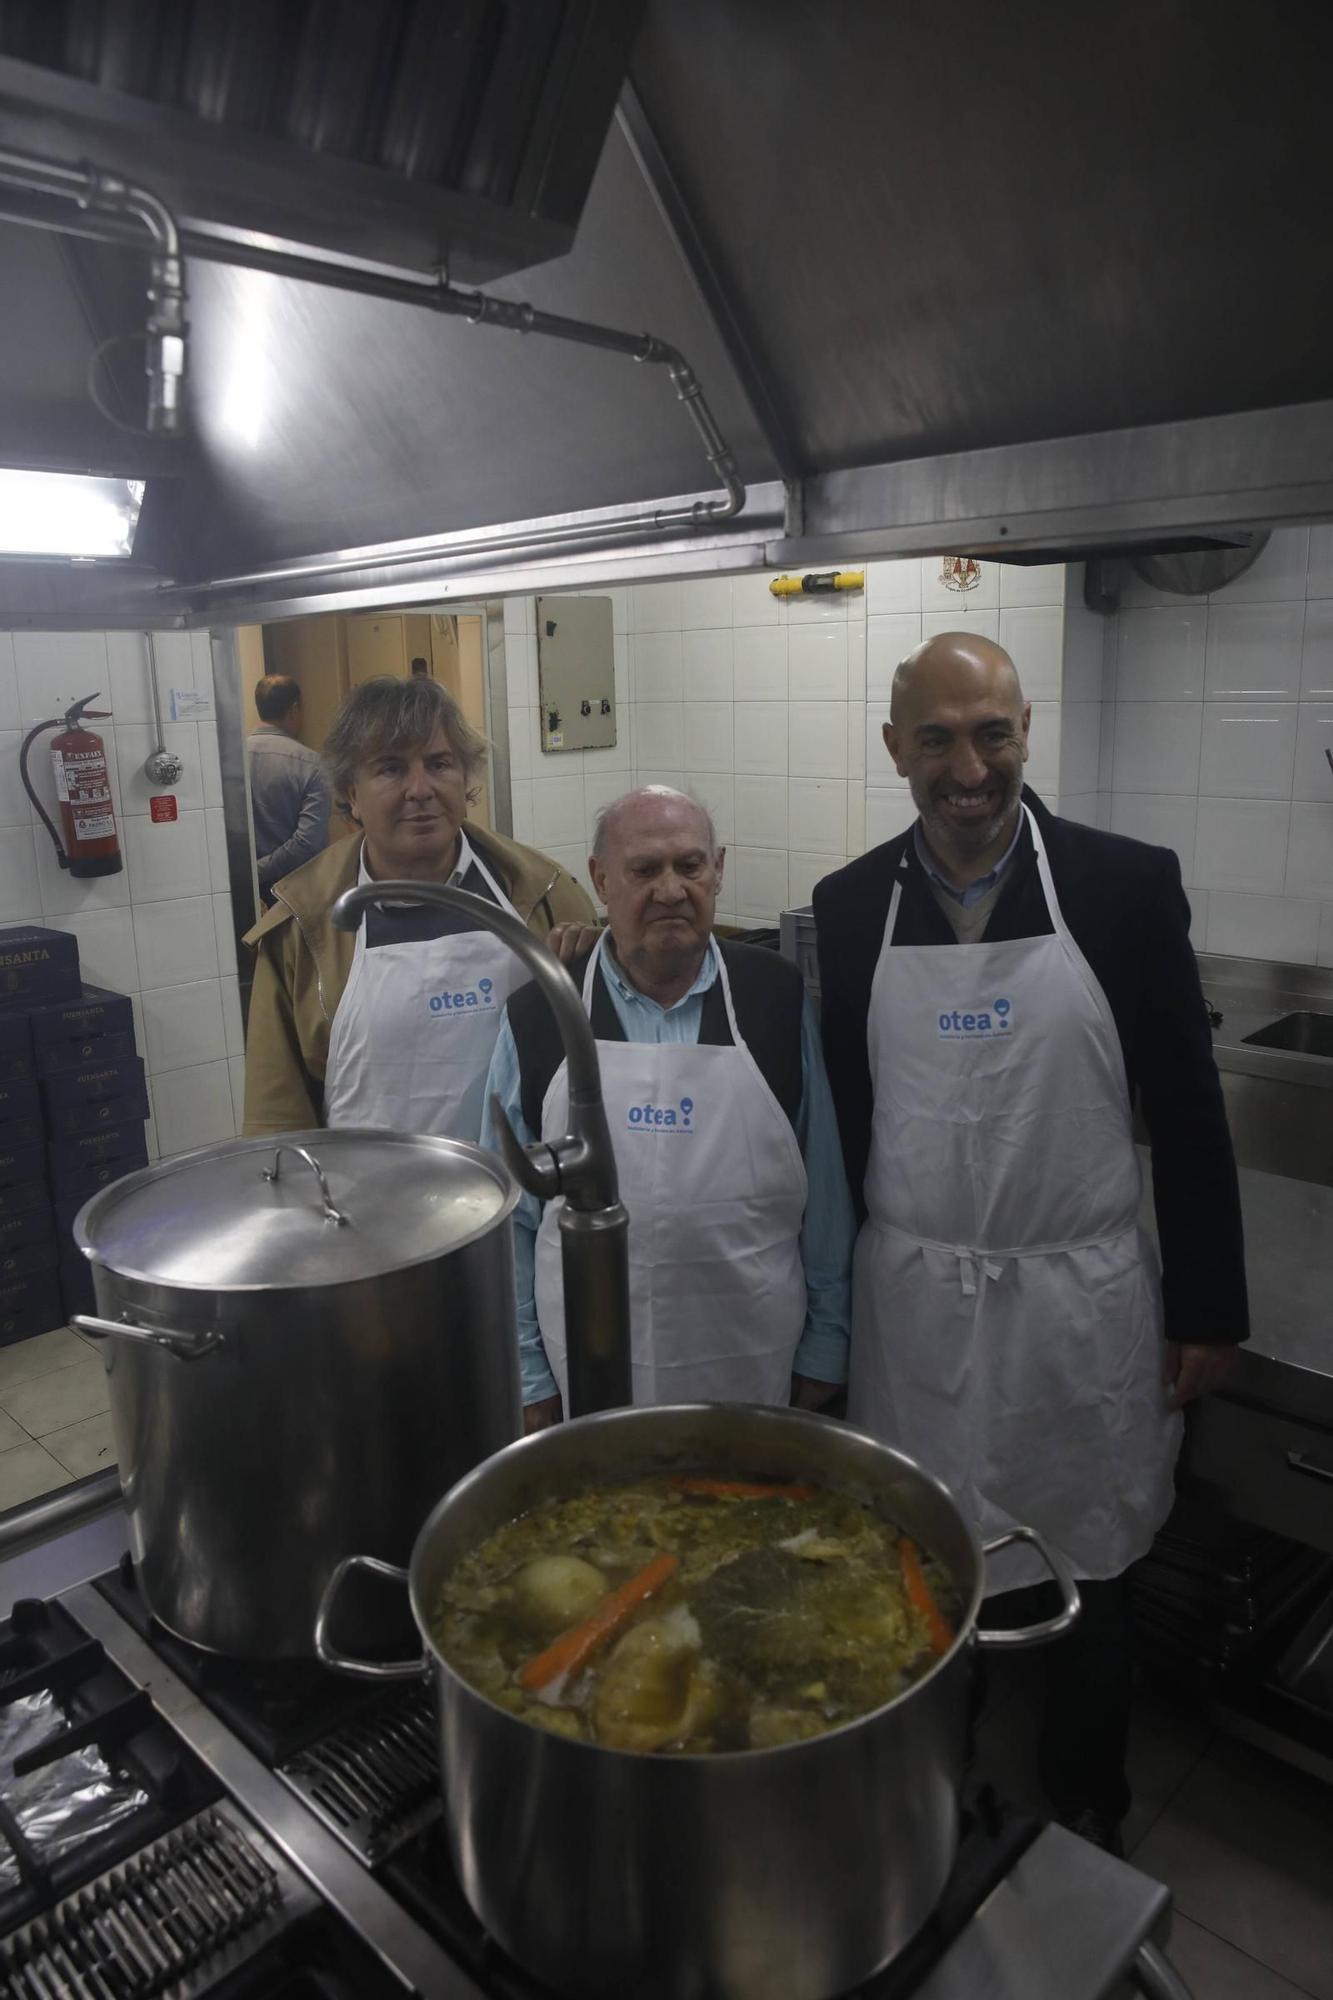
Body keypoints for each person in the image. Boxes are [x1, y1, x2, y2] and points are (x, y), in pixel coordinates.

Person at [812, 631, 1247, 1855]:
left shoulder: (1119, 885)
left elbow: (1191, 1103)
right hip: (915, 1298)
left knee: (1090, 1558)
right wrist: (832, 1316)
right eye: (938, 736)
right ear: (896, 746)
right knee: (924, 1550)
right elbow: (845, 1116)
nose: (969, 765)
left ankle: (1086, 1794)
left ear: (1024, 731)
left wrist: (1207, 1305)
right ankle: (931, 1776)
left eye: (991, 731)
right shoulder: (848, 909)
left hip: (1078, 1294)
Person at [482, 786, 855, 1430]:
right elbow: (507, 1219)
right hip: (586, 1373)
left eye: (690, 865)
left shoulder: (774, 999)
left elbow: (823, 1193)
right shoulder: (542, 1011)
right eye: (645, 869)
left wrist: (828, 1341)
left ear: (719, 871)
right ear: (600, 880)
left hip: (749, 1358)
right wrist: (527, 1373)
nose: (671, 889)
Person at [243, 676, 595, 1140]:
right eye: (390, 768)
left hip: (523, 1196)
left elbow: (598, 1064)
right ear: (351, 792)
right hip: (368, 1201)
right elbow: (276, 1122)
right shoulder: (302, 923)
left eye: (439, 764)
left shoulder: (545, 894)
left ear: (465, 779)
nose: (420, 788)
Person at [248, 674, 332, 900]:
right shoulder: (311, 764)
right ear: (294, 709)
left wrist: (250, 872)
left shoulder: (230, 761)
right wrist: (260, 870)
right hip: (295, 892)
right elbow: (308, 843)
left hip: (244, 892)